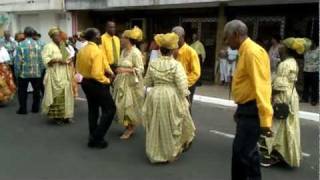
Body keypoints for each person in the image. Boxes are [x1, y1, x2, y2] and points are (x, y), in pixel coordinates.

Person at [223, 20, 273, 180]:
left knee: (242, 156)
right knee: (248, 155)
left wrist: (265, 120)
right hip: (246, 109)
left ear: (236, 35)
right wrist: (240, 110)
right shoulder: (245, 51)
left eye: (227, 37)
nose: (225, 41)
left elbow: (262, 86)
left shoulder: (252, 52)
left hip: (253, 110)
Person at [143, 32, 195, 163]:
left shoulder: (153, 63)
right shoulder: (176, 65)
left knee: (156, 123)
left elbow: (147, 82)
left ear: (160, 49)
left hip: (154, 95)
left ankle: (155, 152)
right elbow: (183, 86)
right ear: (172, 50)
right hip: (171, 96)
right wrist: (186, 99)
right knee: (171, 124)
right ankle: (170, 153)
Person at [259, 37, 309, 168]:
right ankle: (282, 154)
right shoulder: (292, 62)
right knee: (287, 127)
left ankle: (271, 155)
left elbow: (279, 86)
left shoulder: (285, 64)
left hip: (282, 97)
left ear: (286, 49)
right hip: (290, 98)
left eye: (281, 46)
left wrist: (269, 97)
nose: (279, 48)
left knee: (275, 126)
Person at [76, 28, 116, 149]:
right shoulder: (96, 51)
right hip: (97, 83)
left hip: (85, 83)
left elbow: (102, 63)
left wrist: (110, 71)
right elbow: (97, 74)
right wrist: (108, 80)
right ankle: (97, 137)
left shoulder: (82, 50)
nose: (100, 37)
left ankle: (92, 136)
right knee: (110, 109)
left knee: (93, 109)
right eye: (98, 35)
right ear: (94, 37)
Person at [113, 26, 144, 140]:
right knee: (121, 105)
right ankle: (128, 126)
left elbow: (140, 69)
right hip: (121, 82)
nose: (120, 40)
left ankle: (130, 128)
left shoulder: (136, 52)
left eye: (122, 38)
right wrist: (119, 70)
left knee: (129, 106)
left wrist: (125, 70)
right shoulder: (124, 51)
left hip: (132, 84)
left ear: (128, 39)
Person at [41, 27, 74, 125]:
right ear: (52, 37)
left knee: (67, 94)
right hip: (55, 73)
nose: (58, 37)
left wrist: (69, 60)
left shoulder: (62, 45)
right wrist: (57, 60)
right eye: (56, 36)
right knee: (57, 95)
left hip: (65, 72)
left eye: (59, 35)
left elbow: (66, 57)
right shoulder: (48, 46)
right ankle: (57, 117)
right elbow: (45, 59)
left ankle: (66, 116)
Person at [15, 27, 44, 114]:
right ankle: (35, 108)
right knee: (36, 91)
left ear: (24, 34)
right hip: (36, 73)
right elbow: (41, 60)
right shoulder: (38, 44)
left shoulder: (20, 45)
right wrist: (41, 71)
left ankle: (23, 109)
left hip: (24, 73)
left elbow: (17, 61)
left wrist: (17, 73)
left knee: (22, 92)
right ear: (33, 34)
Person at [172, 26, 201, 108]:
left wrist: (184, 83)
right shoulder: (171, 50)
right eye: (173, 38)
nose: (175, 40)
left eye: (177, 38)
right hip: (174, 85)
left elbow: (196, 73)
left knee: (186, 109)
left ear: (183, 37)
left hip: (187, 85)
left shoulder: (191, 52)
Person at [302, 40, 319, 106]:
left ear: (314, 44)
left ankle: (314, 100)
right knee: (306, 86)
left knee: (314, 86)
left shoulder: (318, 50)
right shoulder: (306, 50)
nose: (309, 45)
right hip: (306, 70)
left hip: (315, 71)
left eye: (311, 44)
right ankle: (305, 98)